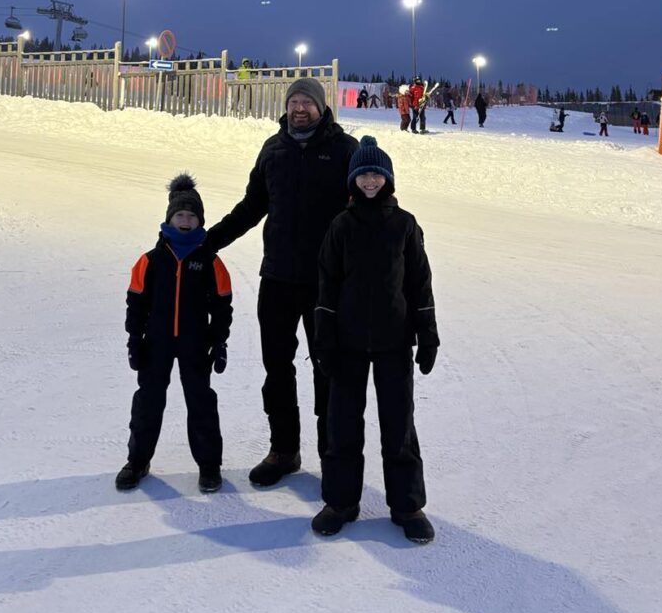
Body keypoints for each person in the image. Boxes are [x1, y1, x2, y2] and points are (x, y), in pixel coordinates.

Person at [204, 77, 359, 486]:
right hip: (277, 278)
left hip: (327, 283)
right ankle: (284, 450)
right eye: (294, 101)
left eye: (308, 101)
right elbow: (252, 207)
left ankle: (333, 456)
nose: (300, 108)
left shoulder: (345, 150)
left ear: (322, 108)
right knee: (277, 367)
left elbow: (365, 212)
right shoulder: (274, 150)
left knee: (328, 369)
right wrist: (209, 242)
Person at [313, 135, 438, 543]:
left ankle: (407, 505)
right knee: (342, 423)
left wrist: (428, 333)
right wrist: (325, 339)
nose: (370, 181)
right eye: (363, 174)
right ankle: (341, 501)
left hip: (394, 342)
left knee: (398, 425)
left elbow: (420, 281)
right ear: (352, 181)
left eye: (376, 174)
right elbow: (327, 286)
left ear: (388, 179)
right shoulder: (341, 225)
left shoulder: (404, 224)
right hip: (347, 343)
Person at [116, 175, 232, 494]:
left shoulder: (210, 262)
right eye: (179, 215)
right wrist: (134, 340)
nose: (185, 220)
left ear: (200, 220)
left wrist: (219, 342)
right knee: (148, 402)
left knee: (201, 403)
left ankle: (209, 466)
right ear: (169, 218)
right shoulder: (150, 261)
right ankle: (137, 461)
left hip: (196, 344)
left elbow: (223, 305)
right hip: (157, 343)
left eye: (191, 216)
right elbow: (136, 303)